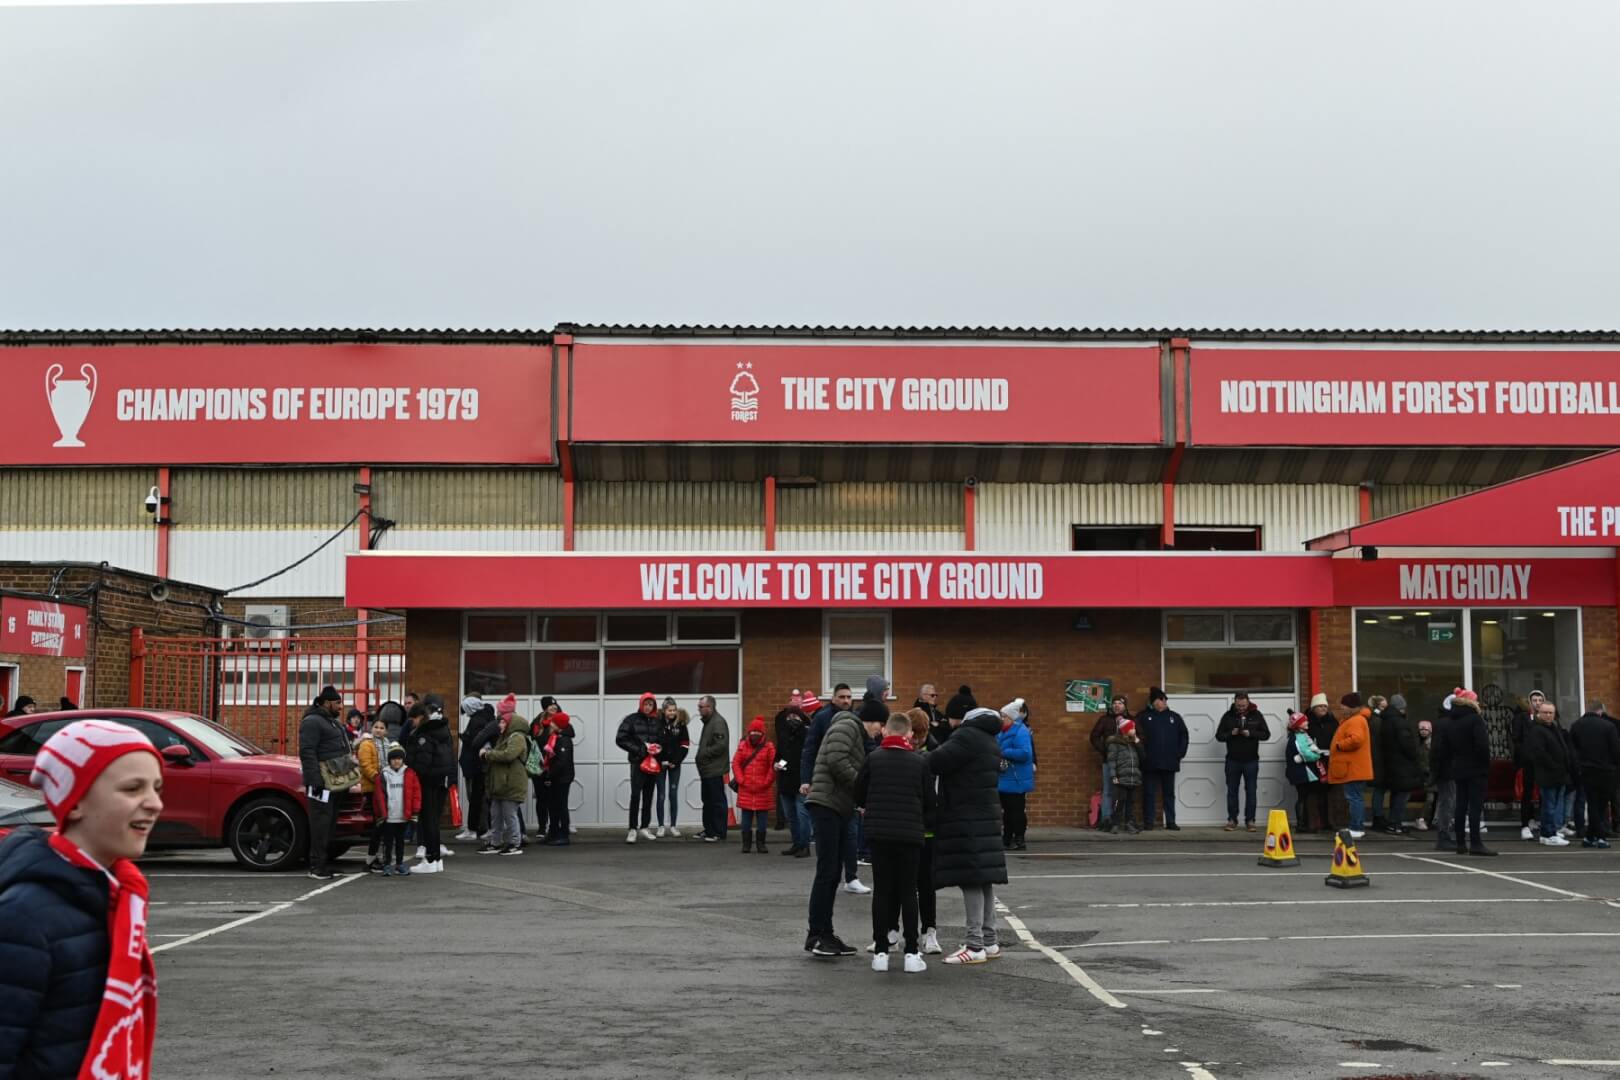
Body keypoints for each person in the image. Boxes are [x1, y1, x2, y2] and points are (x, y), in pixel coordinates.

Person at [0, 719, 162, 1080]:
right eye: (132, 788)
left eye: (156, 787)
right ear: (75, 802)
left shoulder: (115, 897)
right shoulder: (23, 918)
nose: (154, 803)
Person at [930, 691, 1008, 965]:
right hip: (985, 815)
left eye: (951, 718)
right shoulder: (988, 738)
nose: (948, 724)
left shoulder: (966, 736)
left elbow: (936, 762)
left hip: (966, 817)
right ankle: (990, 941)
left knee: (971, 879)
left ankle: (974, 945)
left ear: (959, 717)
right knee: (984, 879)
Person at [855, 712, 935, 974]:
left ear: (886, 732)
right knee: (908, 891)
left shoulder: (873, 759)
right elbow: (929, 801)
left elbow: (859, 792)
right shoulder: (919, 762)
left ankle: (880, 952)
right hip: (910, 834)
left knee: (882, 892)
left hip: (879, 833)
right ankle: (912, 951)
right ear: (909, 734)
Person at [804, 701, 874, 958]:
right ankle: (817, 935)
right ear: (872, 720)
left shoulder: (851, 729)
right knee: (827, 872)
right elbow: (836, 759)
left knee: (833, 872)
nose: (879, 732)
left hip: (837, 806)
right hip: (827, 805)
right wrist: (861, 787)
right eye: (879, 726)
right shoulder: (848, 726)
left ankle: (826, 933)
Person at [298, 684, 352, 881]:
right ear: (327, 703)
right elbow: (307, 752)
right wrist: (314, 780)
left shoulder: (332, 722)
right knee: (320, 823)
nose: (341, 706)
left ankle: (324, 864)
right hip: (321, 783)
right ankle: (316, 866)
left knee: (328, 824)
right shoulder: (312, 722)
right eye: (338, 703)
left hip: (335, 783)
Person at [905, 708, 944, 954]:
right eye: (914, 735)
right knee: (902, 885)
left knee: (927, 885)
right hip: (906, 827)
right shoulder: (901, 751)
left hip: (928, 829)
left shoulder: (937, 754)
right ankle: (893, 932)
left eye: (921, 735)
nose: (917, 739)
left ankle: (930, 931)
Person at [405, 695, 456, 873]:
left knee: (428, 821)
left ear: (420, 716)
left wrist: (413, 774)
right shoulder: (440, 730)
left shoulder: (425, 734)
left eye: (413, 719)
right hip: (439, 779)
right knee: (433, 820)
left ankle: (431, 859)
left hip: (426, 781)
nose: (412, 723)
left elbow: (422, 761)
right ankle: (435, 860)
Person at [1442, 688, 1496, 856]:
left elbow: (1447, 747)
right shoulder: (1475, 719)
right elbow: (1482, 746)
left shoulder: (1450, 721)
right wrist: (1485, 765)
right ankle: (1475, 842)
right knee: (1475, 806)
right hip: (1476, 768)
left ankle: (1460, 842)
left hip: (1458, 766)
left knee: (1460, 805)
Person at [1215, 690, 1271, 832]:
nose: (1241, 708)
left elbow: (1266, 734)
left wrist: (1251, 733)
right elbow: (1219, 736)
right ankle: (1232, 820)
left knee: (1251, 791)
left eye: (1243, 705)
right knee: (1232, 791)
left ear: (1248, 702)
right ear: (1234, 702)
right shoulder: (1228, 716)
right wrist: (1231, 733)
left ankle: (1250, 821)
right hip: (1232, 760)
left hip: (1251, 761)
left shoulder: (1256, 715)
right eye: (1239, 706)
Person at [480, 703, 530, 856]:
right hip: (500, 783)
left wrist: (487, 754)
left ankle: (515, 843)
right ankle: (495, 843)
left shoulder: (518, 738)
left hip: (511, 783)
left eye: (502, 722)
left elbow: (509, 755)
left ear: (510, 723)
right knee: (496, 815)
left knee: (510, 815)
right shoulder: (504, 737)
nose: (499, 724)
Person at [1137, 688, 1189, 831]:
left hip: (1169, 761)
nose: (1164, 702)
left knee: (1169, 794)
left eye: (1165, 699)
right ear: (1153, 701)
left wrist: (1180, 753)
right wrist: (1141, 755)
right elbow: (1136, 737)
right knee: (1148, 793)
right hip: (1149, 762)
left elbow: (1184, 735)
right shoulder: (1142, 717)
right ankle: (1149, 822)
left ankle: (1171, 821)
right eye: (1161, 699)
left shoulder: (1175, 717)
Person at [1523, 700, 1573, 847]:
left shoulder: (1554, 728)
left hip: (1559, 774)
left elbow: (1563, 748)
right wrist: (1554, 766)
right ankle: (1547, 834)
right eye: (1545, 712)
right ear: (1539, 713)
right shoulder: (1537, 730)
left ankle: (1550, 831)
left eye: (1551, 712)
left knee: (1554, 805)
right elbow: (1539, 753)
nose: (1548, 715)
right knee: (1549, 806)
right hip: (1548, 775)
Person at [617, 692, 665, 844]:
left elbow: (663, 739)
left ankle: (645, 826)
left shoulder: (658, 721)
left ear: (654, 706)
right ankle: (632, 829)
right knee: (636, 795)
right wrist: (640, 749)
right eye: (645, 704)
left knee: (649, 796)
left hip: (653, 763)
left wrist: (658, 749)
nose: (648, 707)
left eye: (650, 704)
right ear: (641, 704)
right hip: (638, 762)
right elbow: (621, 739)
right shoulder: (631, 719)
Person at [1571, 701, 1620, 848]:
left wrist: (1577, 767)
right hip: (1606, 771)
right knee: (1601, 805)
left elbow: (1572, 750)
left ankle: (1589, 837)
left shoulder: (1576, 725)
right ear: (1601, 711)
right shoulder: (1608, 726)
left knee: (1592, 803)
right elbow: (1616, 751)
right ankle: (1601, 836)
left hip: (1586, 770)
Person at [1329, 693, 1374, 839]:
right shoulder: (1357, 719)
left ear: (1351, 707)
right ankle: (1357, 827)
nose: (1341, 708)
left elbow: (1356, 739)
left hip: (1353, 768)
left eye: (1344, 705)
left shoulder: (1356, 720)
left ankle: (1356, 827)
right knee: (1356, 797)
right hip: (1355, 767)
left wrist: (1339, 745)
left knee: (1354, 798)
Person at [732, 718, 777, 854]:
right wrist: (741, 780)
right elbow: (736, 763)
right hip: (746, 788)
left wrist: (767, 782)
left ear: (762, 733)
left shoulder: (769, 747)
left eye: (758, 731)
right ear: (749, 732)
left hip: (763, 789)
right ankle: (746, 844)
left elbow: (773, 766)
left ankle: (761, 844)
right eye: (753, 731)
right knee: (746, 819)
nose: (755, 734)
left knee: (762, 819)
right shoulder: (742, 746)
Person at [372, 744, 419, 875]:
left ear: (403, 759)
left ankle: (399, 864)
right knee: (387, 843)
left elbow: (416, 793)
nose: (396, 761)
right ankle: (387, 865)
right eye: (393, 758)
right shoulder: (384, 775)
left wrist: (415, 811)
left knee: (400, 842)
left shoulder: (410, 773)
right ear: (389, 760)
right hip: (389, 816)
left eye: (399, 758)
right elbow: (378, 796)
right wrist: (379, 814)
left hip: (403, 816)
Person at [457, 695, 498, 841]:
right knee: (482, 797)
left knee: (476, 798)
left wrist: (463, 736)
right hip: (481, 764)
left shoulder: (477, 720)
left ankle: (473, 829)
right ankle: (483, 828)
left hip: (476, 765)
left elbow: (475, 741)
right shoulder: (485, 717)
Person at [774, 693, 811, 857]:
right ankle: (797, 844)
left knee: (802, 814)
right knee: (791, 816)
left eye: (796, 715)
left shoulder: (807, 734)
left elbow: (807, 757)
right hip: (786, 779)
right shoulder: (783, 733)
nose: (792, 718)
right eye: (790, 715)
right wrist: (778, 764)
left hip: (801, 780)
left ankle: (805, 846)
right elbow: (781, 754)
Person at [1380, 695, 1423, 835]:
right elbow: (1408, 746)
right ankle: (1395, 823)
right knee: (1402, 796)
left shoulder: (1384, 721)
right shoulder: (1400, 723)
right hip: (1403, 766)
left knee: (1396, 794)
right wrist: (1416, 757)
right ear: (1401, 708)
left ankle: (1393, 823)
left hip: (1391, 764)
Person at [996, 698, 1034, 850]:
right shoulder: (1000, 732)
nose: (1001, 719)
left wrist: (1004, 752)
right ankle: (1007, 837)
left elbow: (1025, 753)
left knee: (1016, 810)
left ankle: (1019, 837)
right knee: (1007, 811)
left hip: (1016, 778)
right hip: (1005, 777)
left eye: (1003, 716)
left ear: (1011, 718)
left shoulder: (1020, 731)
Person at [694, 694, 731, 843]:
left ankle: (719, 831)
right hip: (707, 770)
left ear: (709, 707)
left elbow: (721, 746)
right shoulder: (709, 722)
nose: (699, 709)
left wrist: (703, 754)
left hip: (714, 769)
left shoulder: (718, 722)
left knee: (717, 801)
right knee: (707, 801)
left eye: (701, 707)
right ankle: (709, 829)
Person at [1089, 694, 1129, 831]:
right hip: (1108, 762)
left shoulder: (1131, 720)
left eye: (1120, 703)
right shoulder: (1104, 720)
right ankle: (1106, 819)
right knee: (1108, 791)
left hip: (1125, 763)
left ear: (1125, 706)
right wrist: (1104, 751)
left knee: (1123, 791)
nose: (1117, 705)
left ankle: (1120, 820)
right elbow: (1094, 736)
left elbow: (1140, 737)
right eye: (1115, 703)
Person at [536, 706, 575, 845]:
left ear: (558, 725)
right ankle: (552, 833)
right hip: (555, 777)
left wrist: (549, 774)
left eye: (553, 723)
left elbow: (561, 762)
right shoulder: (554, 738)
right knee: (552, 805)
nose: (550, 724)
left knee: (561, 805)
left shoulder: (564, 740)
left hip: (562, 778)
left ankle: (563, 835)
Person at [357, 715, 392, 874]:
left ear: (386, 731)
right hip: (373, 789)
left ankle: (376, 857)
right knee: (377, 825)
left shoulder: (388, 745)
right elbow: (365, 765)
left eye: (382, 727)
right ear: (371, 729)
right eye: (376, 727)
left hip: (385, 789)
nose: (378, 730)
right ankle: (370, 860)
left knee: (383, 824)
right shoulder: (367, 745)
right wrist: (378, 778)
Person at [1512, 690, 1548, 840]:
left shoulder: (1547, 718)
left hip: (1544, 762)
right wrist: (1527, 754)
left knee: (1544, 794)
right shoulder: (1522, 718)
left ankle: (1542, 822)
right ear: (1530, 702)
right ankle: (1525, 825)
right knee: (1527, 792)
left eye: (1540, 700)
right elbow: (1517, 739)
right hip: (1528, 761)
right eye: (1535, 700)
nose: (1538, 702)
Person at [1284, 711, 1327, 831]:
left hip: (1302, 771)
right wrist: (1318, 756)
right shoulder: (1298, 737)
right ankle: (1301, 825)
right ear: (1298, 724)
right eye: (1304, 721)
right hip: (1300, 772)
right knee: (1302, 797)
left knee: (1305, 796)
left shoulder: (1302, 734)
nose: (1307, 722)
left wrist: (1317, 752)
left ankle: (1305, 824)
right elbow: (1306, 753)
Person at [655, 698, 691, 838]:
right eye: (670, 710)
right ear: (664, 711)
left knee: (673, 795)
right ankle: (660, 826)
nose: (672, 712)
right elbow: (653, 744)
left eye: (674, 710)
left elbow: (685, 745)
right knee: (661, 795)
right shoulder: (657, 724)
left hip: (675, 765)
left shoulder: (681, 725)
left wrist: (676, 761)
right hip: (660, 765)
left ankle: (674, 826)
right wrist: (660, 760)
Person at [1304, 693, 1340, 832]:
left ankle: (1328, 822)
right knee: (1312, 793)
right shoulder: (1307, 722)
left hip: (1329, 761)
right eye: (1320, 706)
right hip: (1312, 762)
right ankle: (1312, 823)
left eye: (1325, 706)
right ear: (1313, 708)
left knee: (1328, 793)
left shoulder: (1332, 721)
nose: (1323, 708)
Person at [1105, 718, 1144, 834]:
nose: (1134, 730)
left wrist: (1137, 741)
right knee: (1119, 801)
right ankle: (1115, 823)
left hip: (1133, 777)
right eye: (1132, 728)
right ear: (1126, 730)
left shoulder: (1134, 743)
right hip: (1121, 777)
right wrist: (1114, 776)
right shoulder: (1115, 744)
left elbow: (1143, 756)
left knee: (1130, 803)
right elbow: (1111, 761)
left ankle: (1129, 824)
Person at [1364, 694, 1389, 831]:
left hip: (1375, 758)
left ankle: (1378, 816)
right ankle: (1378, 816)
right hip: (1378, 759)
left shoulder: (1372, 720)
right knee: (1379, 789)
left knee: (1379, 789)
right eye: (1384, 706)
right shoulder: (1377, 721)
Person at [915, 683, 950, 748]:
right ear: (923, 696)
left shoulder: (937, 712)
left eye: (936, 695)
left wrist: (938, 724)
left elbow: (947, 725)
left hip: (939, 747)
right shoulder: (917, 712)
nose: (935, 697)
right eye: (932, 695)